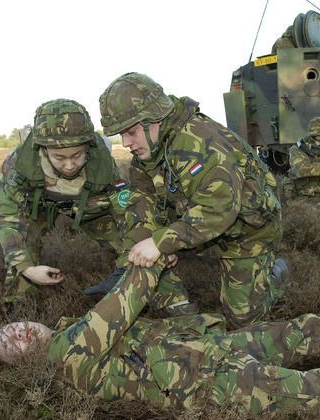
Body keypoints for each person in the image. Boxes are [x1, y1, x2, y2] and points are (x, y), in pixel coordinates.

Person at [0, 258, 320, 419]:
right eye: (11, 345)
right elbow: (126, 300)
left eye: (11, 328)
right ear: (26, 363)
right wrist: (151, 255)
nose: (18, 333)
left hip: (210, 351)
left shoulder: (70, 330)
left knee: (304, 329)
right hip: (210, 382)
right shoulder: (69, 352)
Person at [98, 72, 286, 328]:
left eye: (130, 132)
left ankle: (275, 275)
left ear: (154, 118)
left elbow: (218, 209)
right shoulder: (147, 155)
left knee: (242, 322)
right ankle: (183, 310)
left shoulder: (197, 141)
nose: (126, 143)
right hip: (197, 224)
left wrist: (162, 242)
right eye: (120, 135)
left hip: (247, 230)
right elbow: (142, 206)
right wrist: (129, 261)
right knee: (152, 255)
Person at [0, 98, 138, 303]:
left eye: (77, 155)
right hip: (38, 205)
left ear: (88, 147)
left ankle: (136, 294)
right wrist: (27, 267)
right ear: (42, 149)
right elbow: (5, 214)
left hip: (90, 205)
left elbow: (125, 213)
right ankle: (20, 307)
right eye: (59, 158)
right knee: (22, 247)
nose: (69, 165)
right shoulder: (19, 164)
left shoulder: (103, 165)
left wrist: (130, 256)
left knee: (134, 246)